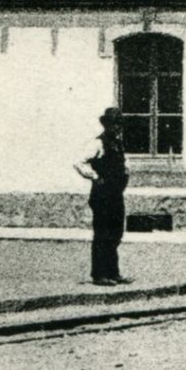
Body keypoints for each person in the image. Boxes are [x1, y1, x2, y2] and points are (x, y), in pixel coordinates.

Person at [73, 107, 133, 286]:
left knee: (116, 232)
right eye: (113, 124)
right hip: (102, 194)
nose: (117, 128)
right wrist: (95, 177)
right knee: (102, 233)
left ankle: (113, 272)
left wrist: (125, 175)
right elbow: (79, 162)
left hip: (116, 193)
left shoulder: (119, 144)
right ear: (106, 125)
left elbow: (124, 165)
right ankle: (99, 275)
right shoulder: (98, 143)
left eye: (119, 124)